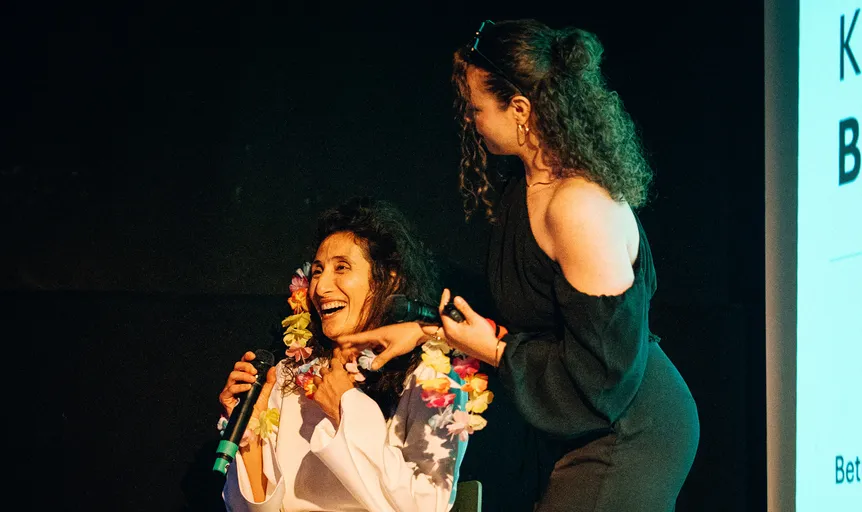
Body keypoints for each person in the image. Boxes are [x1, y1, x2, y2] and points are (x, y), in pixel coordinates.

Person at [340, 19, 700, 511]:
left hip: (627, 424)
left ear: (521, 109)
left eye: (477, 108)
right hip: (586, 422)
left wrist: (491, 349)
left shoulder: (578, 207)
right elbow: (536, 325)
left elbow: (602, 374)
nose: (470, 120)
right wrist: (428, 334)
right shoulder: (524, 187)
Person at [216, 197, 485, 512]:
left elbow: (423, 507)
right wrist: (252, 432)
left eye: (341, 268)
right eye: (317, 271)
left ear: (390, 277)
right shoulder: (291, 374)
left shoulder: (431, 379)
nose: (321, 287)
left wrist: (345, 407)